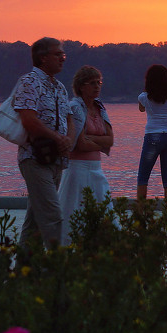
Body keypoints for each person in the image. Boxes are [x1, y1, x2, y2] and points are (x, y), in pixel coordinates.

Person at [14, 37, 73, 250]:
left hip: (56, 160)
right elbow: (28, 119)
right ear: (43, 58)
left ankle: (22, 276)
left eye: (63, 55)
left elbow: (68, 119)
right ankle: (60, 272)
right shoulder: (29, 82)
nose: (62, 59)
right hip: (35, 158)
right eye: (58, 54)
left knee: (34, 223)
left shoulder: (59, 87)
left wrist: (68, 143)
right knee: (52, 216)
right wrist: (57, 138)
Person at [58, 66, 114, 244]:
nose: (97, 86)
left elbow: (111, 140)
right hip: (77, 170)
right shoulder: (74, 107)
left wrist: (91, 138)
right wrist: (99, 140)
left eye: (99, 82)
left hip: (96, 169)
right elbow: (79, 143)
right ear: (81, 86)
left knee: (104, 212)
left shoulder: (100, 107)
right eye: (92, 83)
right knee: (74, 214)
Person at [136, 64, 167, 204]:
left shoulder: (144, 97)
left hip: (152, 136)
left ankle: (140, 216)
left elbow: (141, 110)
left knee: (143, 177)